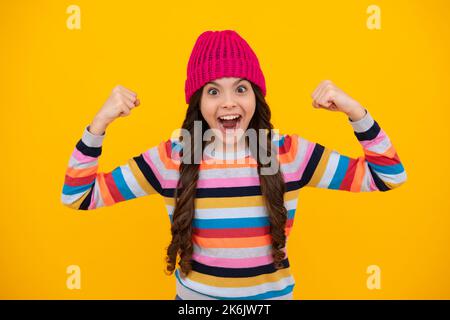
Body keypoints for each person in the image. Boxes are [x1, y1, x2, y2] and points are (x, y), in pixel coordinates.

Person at [61, 30, 407, 300]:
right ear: (198, 101)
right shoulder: (175, 156)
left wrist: (355, 112)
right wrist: (99, 124)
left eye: (241, 89)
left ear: (256, 96)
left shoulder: (287, 153)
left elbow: (388, 176)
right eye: (213, 91)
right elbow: (79, 196)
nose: (228, 102)